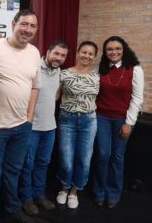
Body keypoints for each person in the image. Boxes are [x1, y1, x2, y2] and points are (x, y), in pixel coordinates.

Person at [0, 9, 41, 223]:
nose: (28, 29)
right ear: (13, 23)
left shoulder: (34, 52)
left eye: (33, 26)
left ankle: (12, 210)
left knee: (13, 172)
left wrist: (30, 118)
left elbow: (35, 87)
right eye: (24, 24)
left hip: (22, 127)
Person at [93, 36, 144, 208]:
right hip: (101, 118)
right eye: (110, 49)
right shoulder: (101, 69)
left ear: (124, 50)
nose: (113, 52)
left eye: (117, 49)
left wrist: (129, 122)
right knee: (102, 154)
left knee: (117, 157)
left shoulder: (134, 69)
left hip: (123, 119)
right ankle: (99, 191)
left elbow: (137, 98)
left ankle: (113, 192)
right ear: (105, 52)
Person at [19, 40, 68, 216]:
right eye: (56, 53)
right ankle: (26, 199)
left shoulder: (59, 72)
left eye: (63, 55)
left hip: (50, 128)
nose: (59, 58)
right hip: (31, 127)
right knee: (27, 165)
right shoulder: (33, 67)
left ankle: (39, 195)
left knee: (43, 163)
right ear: (47, 52)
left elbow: (55, 96)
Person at [55, 41, 99, 209]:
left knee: (84, 159)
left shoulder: (97, 76)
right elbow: (55, 96)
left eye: (90, 53)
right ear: (78, 52)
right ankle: (64, 187)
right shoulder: (64, 74)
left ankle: (74, 191)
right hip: (67, 120)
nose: (86, 56)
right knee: (66, 159)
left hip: (89, 121)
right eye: (84, 52)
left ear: (94, 57)